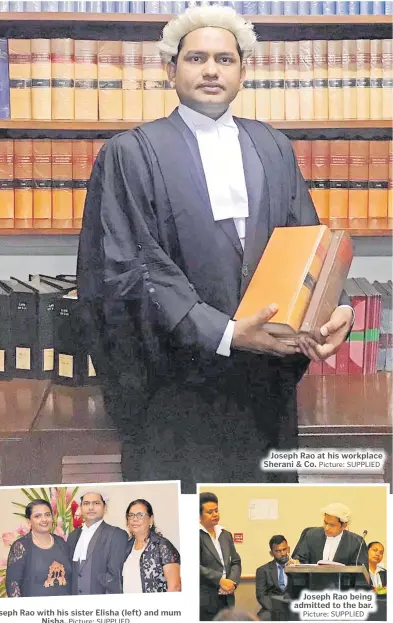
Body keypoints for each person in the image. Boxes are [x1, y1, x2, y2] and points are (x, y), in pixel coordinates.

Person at [77, 4, 353, 492]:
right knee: (183, 541)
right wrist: (223, 332)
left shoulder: (273, 147)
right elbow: (130, 267)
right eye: (196, 58)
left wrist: (336, 309)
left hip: (263, 387)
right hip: (175, 390)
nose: (210, 70)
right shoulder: (131, 152)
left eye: (225, 59)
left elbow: (308, 242)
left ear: (244, 70)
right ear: (170, 68)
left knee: (264, 535)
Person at [5, 499, 71, 597]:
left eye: (47, 514)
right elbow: (13, 584)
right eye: (37, 516)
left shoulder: (61, 543)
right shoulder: (21, 546)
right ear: (29, 521)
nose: (44, 519)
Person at [67, 491, 128, 595]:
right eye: (86, 504)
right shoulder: (73, 536)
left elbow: (115, 577)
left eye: (96, 503)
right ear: (80, 508)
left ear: (105, 508)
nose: (91, 508)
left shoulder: (117, 534)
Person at [122, 498, 181, 593]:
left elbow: (175, 587)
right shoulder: (125, 547)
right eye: (131, 515)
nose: (134, 519)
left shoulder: (162, 545)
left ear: (151, 519)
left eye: (140, 515)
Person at [200, 492, 241, 621]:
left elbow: (236, 561)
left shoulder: (225, 534)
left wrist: (232, 583)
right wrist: (220, 580)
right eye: (210, 512)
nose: (215, 514)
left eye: (216, 510)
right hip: (205, 600)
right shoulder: (195, 535)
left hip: (227, 598)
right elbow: (193, 566)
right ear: (199, 516)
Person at [292, 503, 368, 567]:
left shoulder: (356, 543)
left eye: (332, 525)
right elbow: (300, 560)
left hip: (342, 584)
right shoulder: (312, 535)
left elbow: (360, 575)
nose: (326, 528)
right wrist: (296, 562)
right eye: (325, 523)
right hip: (313, 583)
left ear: (344, 525)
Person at [255, 535, 300, 621]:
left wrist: (296, 569)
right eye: (278, 551)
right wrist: (277, 609)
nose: (282, 553)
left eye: (284, 549)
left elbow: (301, 590)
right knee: (263, 618)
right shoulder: (262, 570)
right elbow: (261, 595)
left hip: (293, 607)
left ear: (288, 549)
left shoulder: (297, 567)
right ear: (271, 553)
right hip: (271, 608)